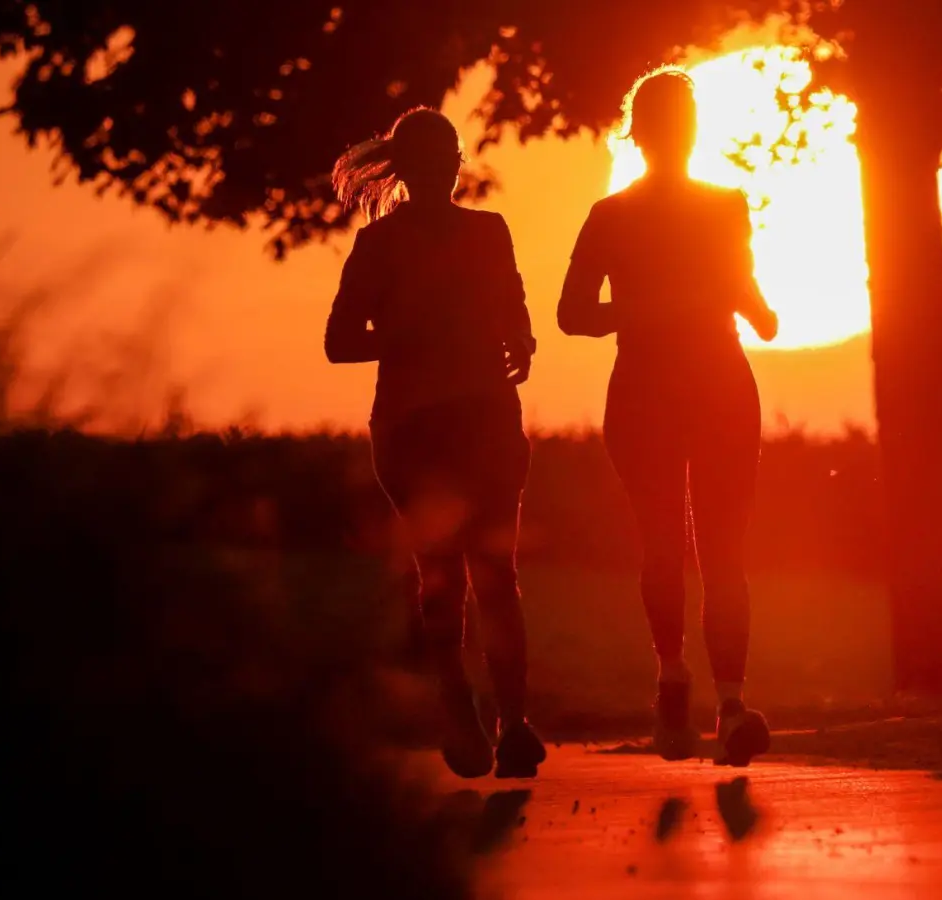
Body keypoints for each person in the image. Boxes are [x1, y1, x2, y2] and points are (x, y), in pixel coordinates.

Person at [558, 68, 778, 766]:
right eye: (679, 121)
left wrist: (738, 306)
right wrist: (745, 310)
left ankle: (689, 686)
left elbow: (574, 314)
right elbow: (570, 314)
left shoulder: (617, 214)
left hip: (664, 384)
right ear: (669, 132)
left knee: (683, 547)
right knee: (712, 551)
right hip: (702, 382)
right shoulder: (707, 206)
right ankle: (716, 698)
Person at [325, 107, 544, 779]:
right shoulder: (378, 245)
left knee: (492, 576)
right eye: (424, 159)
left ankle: (510, 723)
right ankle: (466, 715)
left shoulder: (490, 232)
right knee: (450, 577)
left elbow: (514, 310)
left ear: (456, 163)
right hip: (415, 427)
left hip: (482, 419)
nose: (437, 169)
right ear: (407, 169)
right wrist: (409, 339)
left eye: (445, 156)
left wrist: (523, 344)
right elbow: (338, 342)